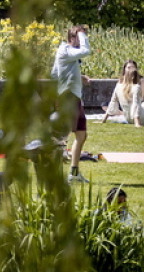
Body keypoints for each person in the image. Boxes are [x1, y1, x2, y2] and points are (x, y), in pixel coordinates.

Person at [52, 25, 92, 183]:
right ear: (72, 38)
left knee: (81, 135)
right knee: (62, 136)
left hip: (72, 96)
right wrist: (82, 34)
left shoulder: (68, 53)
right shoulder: (66, 50)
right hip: (68, 97)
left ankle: (74, 173)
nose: (83, 39)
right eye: (80, 36)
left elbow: (55, 72)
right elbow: (85, 50)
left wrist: (78, 76)